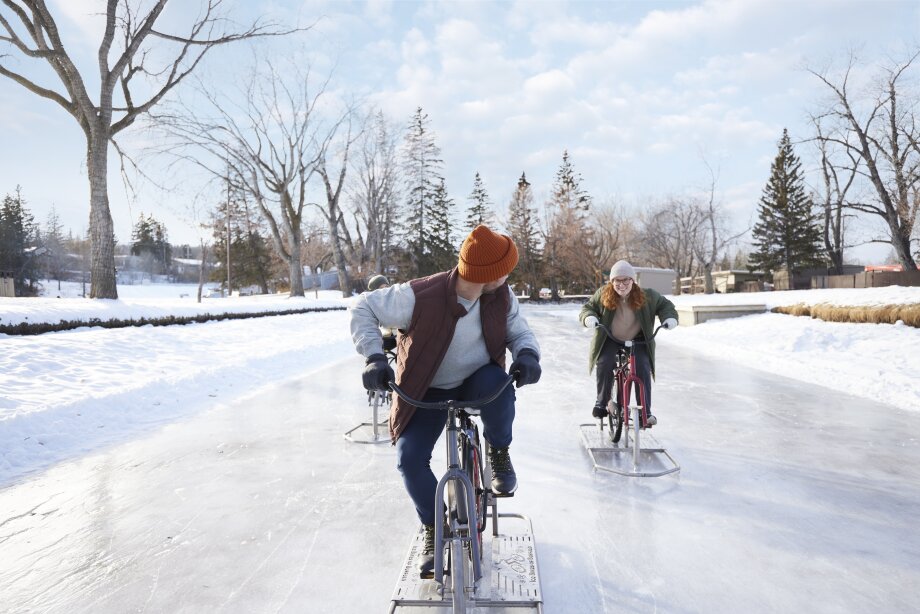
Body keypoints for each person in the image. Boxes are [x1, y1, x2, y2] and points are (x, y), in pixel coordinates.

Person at [350, 224, 541, 578]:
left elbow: (518, 329)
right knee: (410, 460)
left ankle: (498, 452)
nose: (509, 276)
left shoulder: (501, 295)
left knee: (499, 384)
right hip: (425, 388)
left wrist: (527, 354)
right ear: (488, 275)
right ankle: (433, 527)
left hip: (475, 381)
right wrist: (374, 357)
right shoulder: (420, 296)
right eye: (505, 270)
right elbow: (363, 308)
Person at [579, 260, 678, 426]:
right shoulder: (603, 294)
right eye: (617, 280)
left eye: (626, 280)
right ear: (612, 282)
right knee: (604, 362)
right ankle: (601, 402)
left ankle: (645, 412)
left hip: (637, 340)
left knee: (642, 367)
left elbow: (665, 305)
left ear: (633, 280)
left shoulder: (648, 296)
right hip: (610, 337)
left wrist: (669, 318)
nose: (621, 284)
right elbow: (588, 308)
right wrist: (589, 317)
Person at [365, 274, 396, 353]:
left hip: (396, 335)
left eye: (386, 287)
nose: (384, 290)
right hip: (384, 339)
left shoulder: (393, 299)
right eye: (381, 288)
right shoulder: (370, 305)